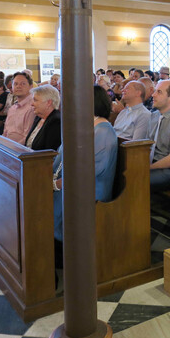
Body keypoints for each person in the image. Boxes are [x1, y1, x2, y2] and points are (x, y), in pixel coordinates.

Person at [53, 86, 118, 249]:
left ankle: (60, 248)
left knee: (44, 200)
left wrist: (57, 184)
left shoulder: (103, 132)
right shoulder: (89, 126)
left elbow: (88, 172)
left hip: (90, 189)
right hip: (72, 182)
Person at [25, 85, 61, 151]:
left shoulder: (56, 122)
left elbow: (49, 152)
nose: (32, 104)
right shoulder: (38, 118)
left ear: (48, 103)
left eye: (35, 100)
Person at [3, 71, 36, 144]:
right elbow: (5, 132)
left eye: (23, 84)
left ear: (31, 86)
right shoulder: (12, 108)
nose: (18, 86)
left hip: (19, 149)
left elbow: (27, 138)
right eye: (15, 84)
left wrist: (12, 148)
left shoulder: (33, 107)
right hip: (7, 146)